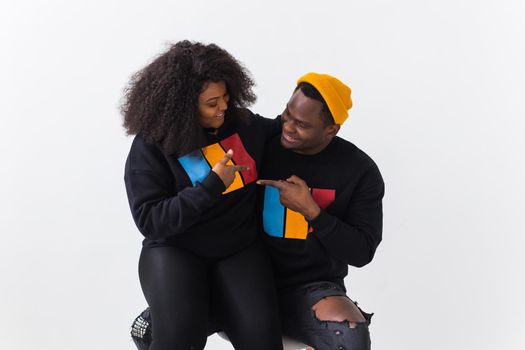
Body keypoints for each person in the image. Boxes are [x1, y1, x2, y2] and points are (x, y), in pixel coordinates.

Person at [122, 40, 283, 350]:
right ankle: (166, 320)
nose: (223, 107)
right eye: (212, 103)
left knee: (262, 338)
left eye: (225, 97)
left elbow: (284, 133)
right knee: (181, 339)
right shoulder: (151, 146)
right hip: (175, 250)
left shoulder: (242, 124)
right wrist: (211, 186)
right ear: (184, 106)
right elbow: (152, 220)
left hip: (237, 248)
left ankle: (188, 312)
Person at [256, 72, 384, 350]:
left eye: (301, 124)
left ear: (331, 129)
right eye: (287, 114)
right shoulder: (262, 140)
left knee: (347, 333)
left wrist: (312, 211)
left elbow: (362, 251)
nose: (287, 127)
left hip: (311, 289)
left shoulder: (360, 171)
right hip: (243, 279)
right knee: (149, 328)